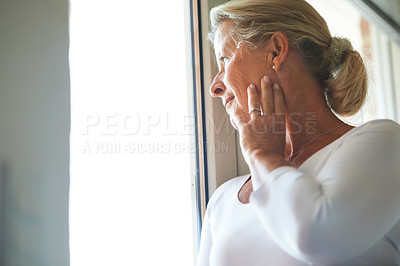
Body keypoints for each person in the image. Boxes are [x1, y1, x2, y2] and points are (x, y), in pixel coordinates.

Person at [196, 0, 400, 265]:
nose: (215, 86)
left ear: (276, 51)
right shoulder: (223, 199)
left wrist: (261, 152)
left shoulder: (384, 142)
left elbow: (318, 239)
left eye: (224, 59)